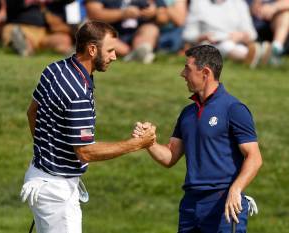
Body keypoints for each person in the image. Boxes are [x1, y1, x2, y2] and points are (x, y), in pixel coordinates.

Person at [20, 21, 156, 233]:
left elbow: (32, 112)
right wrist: (137, 144)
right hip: (56, 191)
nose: (114, 56)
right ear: (92, 49)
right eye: (110, 50)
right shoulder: (78, 93)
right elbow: (85, 151)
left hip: (39, 175)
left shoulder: (54, 69)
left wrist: (48, 152)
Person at [133, 45, 263, 233]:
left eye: (187, 68)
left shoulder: (233, 109)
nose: (182, 73)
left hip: (223, 204)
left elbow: (254, 157)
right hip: (191, 205)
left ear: (205, 72)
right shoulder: (188, 113)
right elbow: (170, 156)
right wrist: (149, 143)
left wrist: (236, 189)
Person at [182, 0, 270, 68]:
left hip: (236, 42)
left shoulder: (239, 3)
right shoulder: (198, 3)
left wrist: (241, 36)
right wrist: (202, 37)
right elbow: (188, 34)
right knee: (224, 46)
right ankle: (253, 58)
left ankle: (254, 58)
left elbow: (252, 33)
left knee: (236, 47)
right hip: (209, 43)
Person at [85, 0, 166, 64]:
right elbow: (93, 13)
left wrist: (154, 12)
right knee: (96, 32)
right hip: (112, 34)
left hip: (140, 33)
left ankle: (140, 51)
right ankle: (134, 54)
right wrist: (122, 14)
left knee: (151, 28)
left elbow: (164, 17)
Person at [247, 0, 289, 65]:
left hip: (274, 23)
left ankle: (275, 51)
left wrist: (273, 7)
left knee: (286, 14)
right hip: (248, 22)